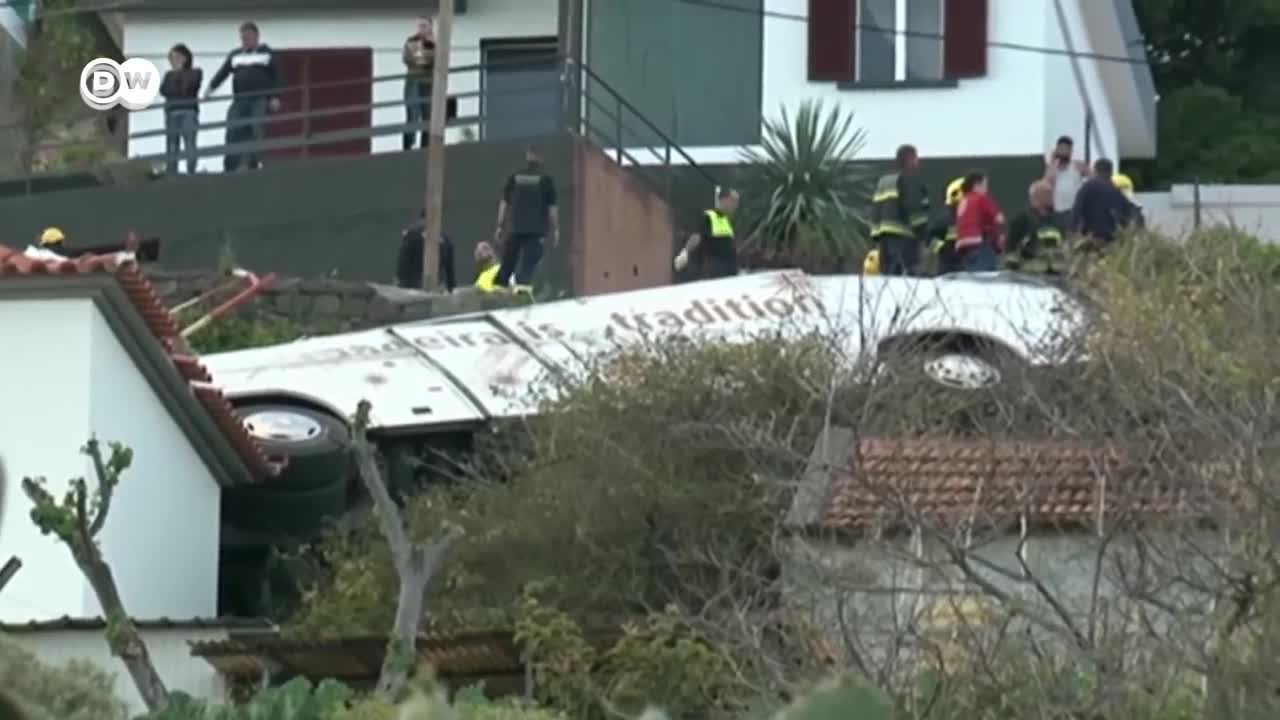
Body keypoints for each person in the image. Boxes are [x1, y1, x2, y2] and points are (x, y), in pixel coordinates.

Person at [206, 21, 280, 172]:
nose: (245, 41)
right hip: (240, 99)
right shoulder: (235, 55)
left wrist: (275, 97)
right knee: (233, 129)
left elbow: (277, 76)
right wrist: (210, 88)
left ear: (256, 36)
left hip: (259, 99)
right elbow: (223, 72)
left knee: (256, 129)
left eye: (248, 37)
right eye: (243, 38)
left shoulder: (267, 53)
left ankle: (256, 163)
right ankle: (231, 166)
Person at [494, 147, 559, 292]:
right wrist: (555, 230)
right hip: (537, 231)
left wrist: (499, 226)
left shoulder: (515, 177)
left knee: (506, 266)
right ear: (541, 158)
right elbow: (552, 210)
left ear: (527, 156)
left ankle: (498, 295)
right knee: (526, 268)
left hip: (516, 228)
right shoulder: (546, 180)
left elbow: (504, 203)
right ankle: (521, 297)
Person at [870, 144, 930, 276]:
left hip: (884, 239)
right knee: (906, 277)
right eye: (915, 158)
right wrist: (923, 235)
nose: (917, 161)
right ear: (910, 159)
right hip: (904, 238)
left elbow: (876, 208)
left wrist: (875, 235)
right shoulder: (910, 180)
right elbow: (915, 210)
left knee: (887, 278)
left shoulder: (883, 181)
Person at [675, 187, 740, 280]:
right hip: (716, 268)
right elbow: (697, 236)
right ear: (723, 200)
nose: (736, 205)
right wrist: (685, 251)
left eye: (737, 202)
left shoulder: (726, 220)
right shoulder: (709, 216)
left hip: (730, 269)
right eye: (733, 201)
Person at [1071, 158, 1137, 247]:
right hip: (1112, 242)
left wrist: (1074, 232)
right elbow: (1127, 216)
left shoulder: (1087, 187)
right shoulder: (1117, 192)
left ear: (1095, 170)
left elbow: (1077, 211)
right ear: (1111, 172)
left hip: (1092, 240)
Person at [1004, 180, 1066, 275]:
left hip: (1056, 275)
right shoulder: (1022, 219)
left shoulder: (1059, 219)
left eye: (1051, 192)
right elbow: (1010, 248)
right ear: (1034, 197)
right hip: (1030, 275)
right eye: (1046, 192)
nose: (1051, 195)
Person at [159, 43, 202, 175]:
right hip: (172, 113)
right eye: (171, 58)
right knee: (172, 145)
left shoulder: (195, 72)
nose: (173, 61)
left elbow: (188, 88)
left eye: (176, 57)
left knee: (189, 144)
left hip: (188, 112)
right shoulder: (168, 75)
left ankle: (191, 173)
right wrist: (176, 83)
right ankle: (172, 174)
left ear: (185, 58)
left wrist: (179, 75)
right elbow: (164, 90)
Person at [953, 171, 1005, 272]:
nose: (986, 189)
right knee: (984, 279)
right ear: (976, 185)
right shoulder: (981, 198)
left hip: (963, 247)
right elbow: (999, 219)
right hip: (980, 244)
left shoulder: (963, 201)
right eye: (985, 185)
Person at [395, 211, 456, 292]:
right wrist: (451, 287)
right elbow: (450, 270)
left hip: (415, 287)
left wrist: (400, 283)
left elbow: (403, 261)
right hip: (427, 286)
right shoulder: (445, 238)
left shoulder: (412, 235)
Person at [401, 16, 435, 151]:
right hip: (413, 82)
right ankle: (408, 147)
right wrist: (423, 57)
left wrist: (421, 56)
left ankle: (425, 149)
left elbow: (434, 59)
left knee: (428, 117)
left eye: (424, 25)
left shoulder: (436, 42)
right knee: (412, 114)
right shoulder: (411, 40)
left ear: (430, 27)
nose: (421, 28)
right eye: (419, 26)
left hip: (429, 83)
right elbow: (406, 58)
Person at [1043, 135, 1089, 228]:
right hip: (1058, 212)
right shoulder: (1052, 168)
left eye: (1066, 149)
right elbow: (1045, 185)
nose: (1064, 151)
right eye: (1061, 148)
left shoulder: (1077, 165)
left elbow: (1093, 177)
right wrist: (1053, 161)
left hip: (1075, 210)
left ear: (1071, 151)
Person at [926, 177, 964, 275]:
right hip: (947, 270)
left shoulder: (973, 219)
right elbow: (928, 238)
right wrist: (942, 248)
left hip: (968, 268)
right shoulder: (944, 220)